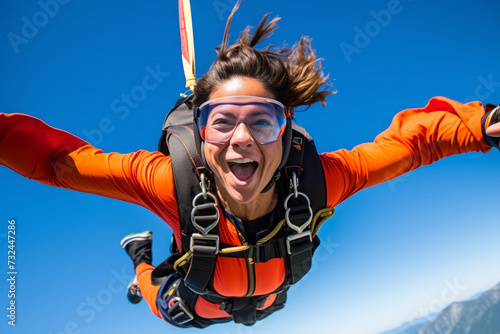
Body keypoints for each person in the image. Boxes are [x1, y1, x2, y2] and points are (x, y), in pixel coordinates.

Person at [1, 3, 500, 330]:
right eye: (221, 122)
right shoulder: (167, 182)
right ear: (201, 134)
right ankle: (140, 261)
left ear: (285, 128)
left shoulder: (319, 180)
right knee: (166, 306)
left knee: (250, 305)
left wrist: (484, 123)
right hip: (194, 297)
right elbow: (57, 162)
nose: (241, 139)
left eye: (261, 120)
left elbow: (408, 146)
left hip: (264, 297)